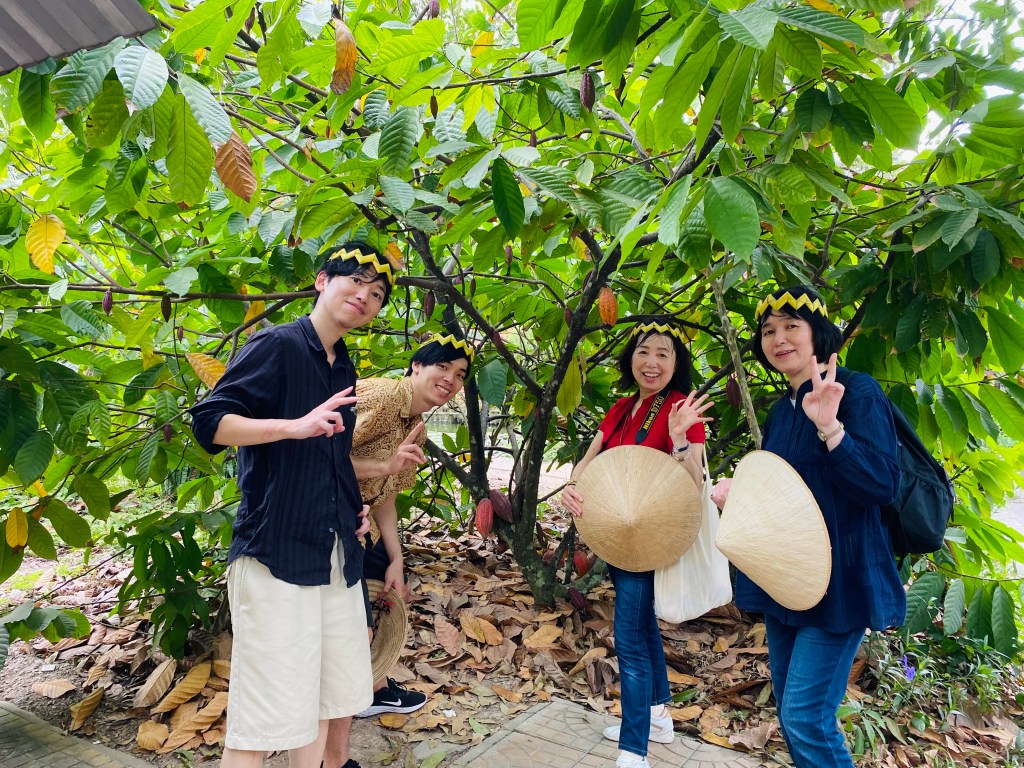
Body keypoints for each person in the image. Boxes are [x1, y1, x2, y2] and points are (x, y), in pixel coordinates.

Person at [189, 242, 397, 768]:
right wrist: (292, 426)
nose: (365, 298)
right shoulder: (277, 346)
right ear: (322, 281)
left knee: (324, 699)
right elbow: (209, 422)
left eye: (376, 295)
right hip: (275, 553)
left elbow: (330, 455)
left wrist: (353, 505)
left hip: (332, 554)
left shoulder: (342, 366)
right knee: (266, 708)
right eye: (356, 283)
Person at [710, 285, 905, 768]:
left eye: (791, 326)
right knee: (793, 712)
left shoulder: (857, 392)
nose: (779, 338)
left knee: (806, 716)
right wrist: (740, 494)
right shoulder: (780, 411)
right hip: (788, 579)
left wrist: (832, 429)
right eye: (768, 330)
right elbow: (786, 498)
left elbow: (882, 484)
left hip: (843, 581)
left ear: (817, 334)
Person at [561, 320, 713, 768]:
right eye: (644, 351)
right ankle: (657, 716)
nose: (652, 362)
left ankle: (634, 748)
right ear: (631, 359)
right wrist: (573, 484)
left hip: (655, 538)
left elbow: (694, 483)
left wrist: (682, 437)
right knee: (641, 627)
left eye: (664, 354)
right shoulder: (622, 407)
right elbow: (587, 461)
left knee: (628, 636)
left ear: (676, 364)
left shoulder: (682, 408)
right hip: (620, 533)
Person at [349, 334, 473, 717]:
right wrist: (384, 466)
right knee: (354, 623)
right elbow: (315, 456)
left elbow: (387, 495)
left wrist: (395, 557)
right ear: (416, 366)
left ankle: (374, 689)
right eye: (442, 367)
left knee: (380, 604)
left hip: (363, 525)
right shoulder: (384, 397)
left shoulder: (415, 424)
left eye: (460, 374)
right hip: (329, 523)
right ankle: (345, 701)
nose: (451, 379)